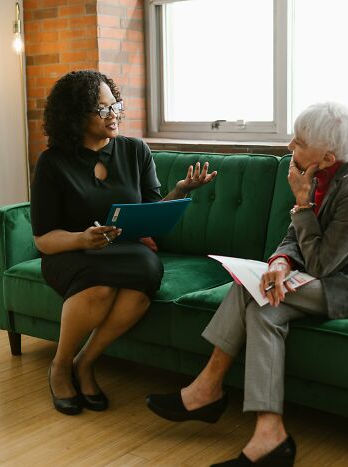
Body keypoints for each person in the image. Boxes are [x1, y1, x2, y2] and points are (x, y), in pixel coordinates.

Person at [146, 102, 348, 466]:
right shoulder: (318, 173)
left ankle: (210, 393)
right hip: (330, 274)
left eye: (299, 142)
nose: (289, 146)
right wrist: (281, 263)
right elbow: (294, 239)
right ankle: (265, 432)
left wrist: (302, 205)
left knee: (261, 301)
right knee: (255, 297)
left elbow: (321, 263)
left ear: (328, 156)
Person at [31, 70, 216, 416]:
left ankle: (85, 362)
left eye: (115, 104)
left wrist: (180, 192)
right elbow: (43, 239)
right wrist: (82, 238)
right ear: (75, 116)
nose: (113, 113)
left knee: (145, 272)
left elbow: (151, 213)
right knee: (99, 288)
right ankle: (60, 366)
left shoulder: (135, 151)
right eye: (102, 109)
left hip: (123, 250)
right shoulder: (52, 164)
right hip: (70, 252)